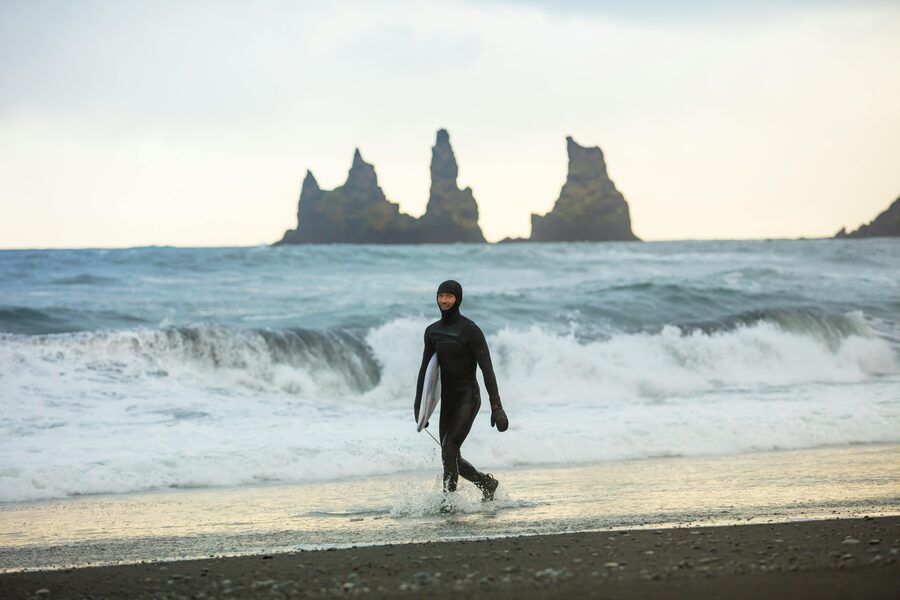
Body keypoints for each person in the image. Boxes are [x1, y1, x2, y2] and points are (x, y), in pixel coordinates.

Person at [414, 280, 508, 502]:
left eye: (449, 296)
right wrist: (420, 406)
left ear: (458, 299)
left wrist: (497, 407)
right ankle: (486, 483)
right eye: (441, 296)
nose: (444, 301)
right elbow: (425, 370)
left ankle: (448, 503)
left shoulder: (470, 330)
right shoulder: (432, 332)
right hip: (448, 400)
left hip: (468, 397)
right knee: (450, 456)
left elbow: (487, 369)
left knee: (448, 448)